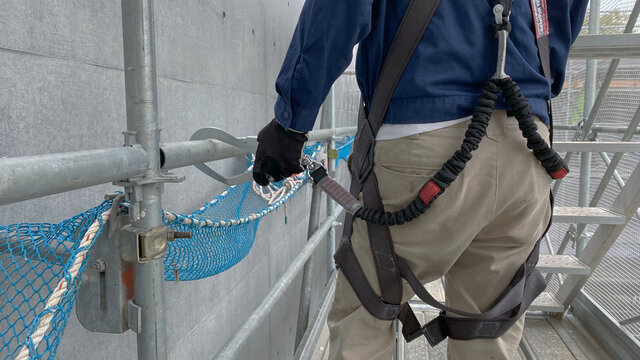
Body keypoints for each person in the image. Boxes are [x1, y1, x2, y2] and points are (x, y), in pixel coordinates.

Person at [253, 0, 588, 359]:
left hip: (422, 135)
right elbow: (560, 22)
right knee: (488, 327)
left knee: (366, 315)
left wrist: (291, 122)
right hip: (527, 149)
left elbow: (337, 11)